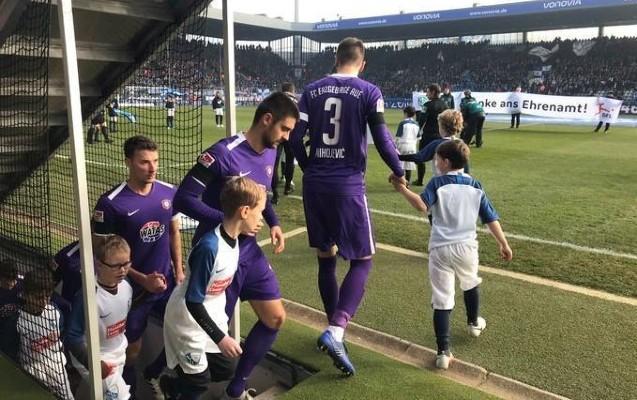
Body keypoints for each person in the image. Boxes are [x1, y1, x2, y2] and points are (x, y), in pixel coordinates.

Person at [289, 37, 405, 377]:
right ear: (362, 63)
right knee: (363, 259)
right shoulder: (369, 91)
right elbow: (382, 139)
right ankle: (337, 330)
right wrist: (399, 170)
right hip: (347, 184)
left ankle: (333, 330)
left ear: (336, 58)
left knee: (326, 258)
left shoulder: (312, 90)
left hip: (315, 184)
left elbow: (294, 137)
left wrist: (308, 167)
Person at [174, 92, 298, 400]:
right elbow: (183, 199)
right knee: (207, 338)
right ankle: (164, 377)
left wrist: (274, 222)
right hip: (217, 254)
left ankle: (236, 389)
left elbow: (262, 195)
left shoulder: (271, 152)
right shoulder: (222, 154)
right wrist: (231, 220)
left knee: (275, 318)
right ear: (267, 119)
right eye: (284, 129)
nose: (286, 137)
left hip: (249, 252)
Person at [390, 140, 512, 370]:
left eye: (437, 159)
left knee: (442, 299)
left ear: (446, 162)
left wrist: (402, 189)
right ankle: (474, 323)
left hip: (440, 248)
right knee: (470, 282)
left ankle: (443, 352)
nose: (435, 162)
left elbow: (422, 206)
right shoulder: (475, 185)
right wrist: (503, 243)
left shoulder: (437, 183)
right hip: (466, 247)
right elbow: (490, 218)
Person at [92, 135, 184, 398]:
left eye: (155, 161)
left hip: (166, 283)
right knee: (131, 351)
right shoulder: (111, 203)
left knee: (188, 329)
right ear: (128, 162)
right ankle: (127, 391)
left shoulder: (169, 192)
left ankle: (154, 373)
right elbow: (101, 253)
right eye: (144, 162)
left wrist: (178, 271)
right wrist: (141, 278)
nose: (152, 168)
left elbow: (173, 232)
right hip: (131, 291)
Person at [162, 177, 266, 400]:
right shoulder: (210, 248)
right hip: (187, 319)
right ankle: (180, 387)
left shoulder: (235, 238)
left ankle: (174, 385)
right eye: (260, 212)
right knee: (198, 382)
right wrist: (221, 338)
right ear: (244, 212)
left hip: (210, 314)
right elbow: (193, 301)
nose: (261, 219)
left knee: (226, 369)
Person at [65, 235, 133, 400]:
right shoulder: (88, 297)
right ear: (99, 265)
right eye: (116, 266)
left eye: (126, 264)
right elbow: (72, 336)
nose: (122, 270)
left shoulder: (127, 286)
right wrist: (93, 363)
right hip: (96, 358)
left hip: (118, 353)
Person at [18, 271, 74, 400]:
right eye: (38, 297)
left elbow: (61, 333)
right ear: (26, 295)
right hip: (32, 375)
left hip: (56, 368)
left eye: (47, 296)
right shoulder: (18, 321)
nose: (44, 302)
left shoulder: (54, 311)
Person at [399, 109, 469, 176]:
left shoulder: (437, 144)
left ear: (442, 127)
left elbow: (419, 157)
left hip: (441, 180)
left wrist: (398, 157)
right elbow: (465, 166)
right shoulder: (461, 144)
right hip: (460, 181)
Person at [414, 84, 448, 186]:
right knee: (441, 158)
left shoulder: (427, 105)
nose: (426, 94)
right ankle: (442, 180)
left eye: (428, 91)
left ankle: (420, 180)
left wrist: (417, 131)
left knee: (421, 157)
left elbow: (422, 120)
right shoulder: (445, 105)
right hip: (441, 136)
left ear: (433, 92)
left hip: (428, 136)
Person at [271, 83, 297, 205]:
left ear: (282, 90)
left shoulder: (276, 99)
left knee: (274, 163)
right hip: (291, 134)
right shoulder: (298, 101)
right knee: (290, 161)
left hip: (277, 133)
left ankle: (275, 194)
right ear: (293, 90)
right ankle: (287, 187)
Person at [0, 259, 20, 362]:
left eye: (13, 280)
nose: (10, 283)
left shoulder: (22, 286)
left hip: (19, 330)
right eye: (6, 279)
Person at [395, 106, 420, 184]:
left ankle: (401, 182)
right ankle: (407, 182)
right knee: (409, 165)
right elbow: (419, 137)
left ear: (405, 113)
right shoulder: (416, 124)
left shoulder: (402, 123)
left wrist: (395, 146)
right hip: (412, 146)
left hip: (402, 145)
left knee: (400, 165)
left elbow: (398, 136)